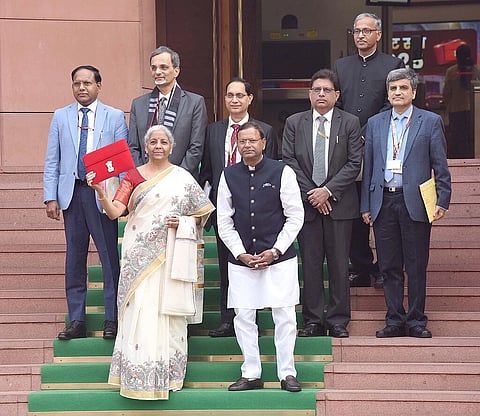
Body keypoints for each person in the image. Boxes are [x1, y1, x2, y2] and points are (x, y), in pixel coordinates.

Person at [87, 125, 214, 399]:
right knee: (140, 310)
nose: (158, 146)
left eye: (163, 142)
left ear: (171, 147)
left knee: (167, 313)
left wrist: (182, 222)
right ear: (146, 147)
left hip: (171, 257)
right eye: (153, 142)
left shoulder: (182, 177)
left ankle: (167, 376)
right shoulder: (132, 176)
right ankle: (137, 378)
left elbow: (202, 216)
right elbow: (116, 212)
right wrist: (99, 190)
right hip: (139, 256)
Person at [361, 68, 451, 338]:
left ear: (413, 92)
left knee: (415, 264)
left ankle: (416, 321)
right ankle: (394, 320)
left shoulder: (430, 121)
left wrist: (443, 199)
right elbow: (369, 167)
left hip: (416, 201)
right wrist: (366, 204)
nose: (397, 93)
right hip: (383, 200)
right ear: (387, 93)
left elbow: (440, 163)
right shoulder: (375, 123)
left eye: (402, 88)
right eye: (393, 89)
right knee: (388, 265)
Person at [217, 122, 304, 392]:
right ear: (237, 145)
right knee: (243, 316)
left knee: (285, 315)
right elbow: (223, 220)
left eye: (252, 140)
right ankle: (251, 372)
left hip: (279, 257)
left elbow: (295, 215)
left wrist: (275, 250)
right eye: (242, 141)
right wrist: (240, 253)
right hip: (242, 260)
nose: (247, 145)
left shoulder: (282, 172)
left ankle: (287, 373)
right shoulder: (228, 175)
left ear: (264, 142)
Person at [43, 65, 128, 341]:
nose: (82, 88)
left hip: (101, 195)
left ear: (98, 86)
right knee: (74, 258)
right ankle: (77, 319)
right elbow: (52, 160)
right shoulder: (60, 116)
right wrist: (50, 196)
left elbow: (123, 161)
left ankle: (112, 319)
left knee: (108, 258)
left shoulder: (114, 116)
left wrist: (124, 196)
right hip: (72, 194)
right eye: (77, 83)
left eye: (87, 83)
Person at [282, 69, 363, 338]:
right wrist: (313, 194)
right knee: (311, 263)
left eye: (327, 90)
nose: (321, 94)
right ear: (309, 94)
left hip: (340, 205)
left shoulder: (350, 122)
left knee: (340, 264)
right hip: (307, 206)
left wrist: (327, 191)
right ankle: (313, 319)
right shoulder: (295, 122)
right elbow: (289, 161)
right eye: (316, 90)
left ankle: (338, 320)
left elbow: (354, 163)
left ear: (337, 95)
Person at [199, 77, 278, 338]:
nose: (234, 100)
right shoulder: (213, 130)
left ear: (249, 99)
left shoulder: (265, 129)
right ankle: (227, 320)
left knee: (257, 266)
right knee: (227, 266)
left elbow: (274, 171)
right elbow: (207, 171)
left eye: (240, 95)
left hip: (257, 209)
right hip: (225, 210)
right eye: (230, 95)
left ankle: (254, 318)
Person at [334, 12, 404, 289]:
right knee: (354, 209)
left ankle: (387, 268)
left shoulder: (392, 64)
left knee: (384, 208)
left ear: (378, 34)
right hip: (347, 150)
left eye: (366, 30)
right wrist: (350, 134)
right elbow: (335, 101)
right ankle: (361, 266)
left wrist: (365, 133)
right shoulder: (341, 66)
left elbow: (394, 102)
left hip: (382, 145)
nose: (360, 35)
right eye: (356, 31)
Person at [128, 45, 208, 179]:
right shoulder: (138, 104)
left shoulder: (194, 103)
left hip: (180, 180)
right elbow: (133, 147)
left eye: (163, 67)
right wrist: (143, 175)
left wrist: (175, 178)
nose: (158, 72)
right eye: (154, 68)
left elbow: (196, 147)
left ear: (176, 71)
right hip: (146, 182)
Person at [443, 44, 480, 159]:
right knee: (472, 138)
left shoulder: (451, 71)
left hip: (456, 111)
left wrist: (446, 105)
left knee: (458, 140)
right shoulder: (477, 70)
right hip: (475, 112)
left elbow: (446, 93)